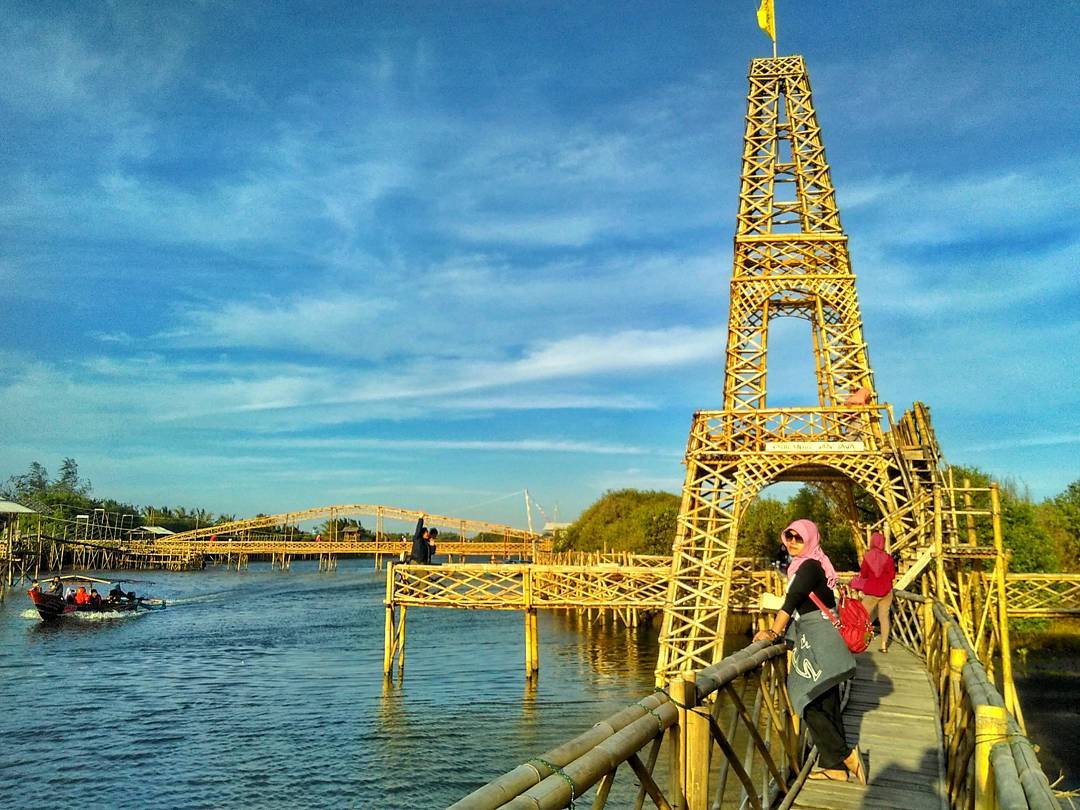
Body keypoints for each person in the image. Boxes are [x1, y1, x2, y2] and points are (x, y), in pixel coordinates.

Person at [753, 519, 866, 784]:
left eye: (797, 538)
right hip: (823, 638)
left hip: (820, 640)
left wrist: (774, 633)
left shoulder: (809, 566)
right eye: (788, 536)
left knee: (805, 697)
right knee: (826, 701)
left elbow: (791, 602)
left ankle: (845, 755)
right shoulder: (816, 564)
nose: (791, 542)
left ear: (810, 540)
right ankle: (835, 766)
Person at [851, 532, 896, 653]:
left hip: (871, 591)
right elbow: (892, 575)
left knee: (862, 616)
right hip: (886, 591)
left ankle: (860, 640)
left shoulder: (868, 557)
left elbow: (864, 574)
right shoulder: (889, 558)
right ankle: (884, 645)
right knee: (884, 617)